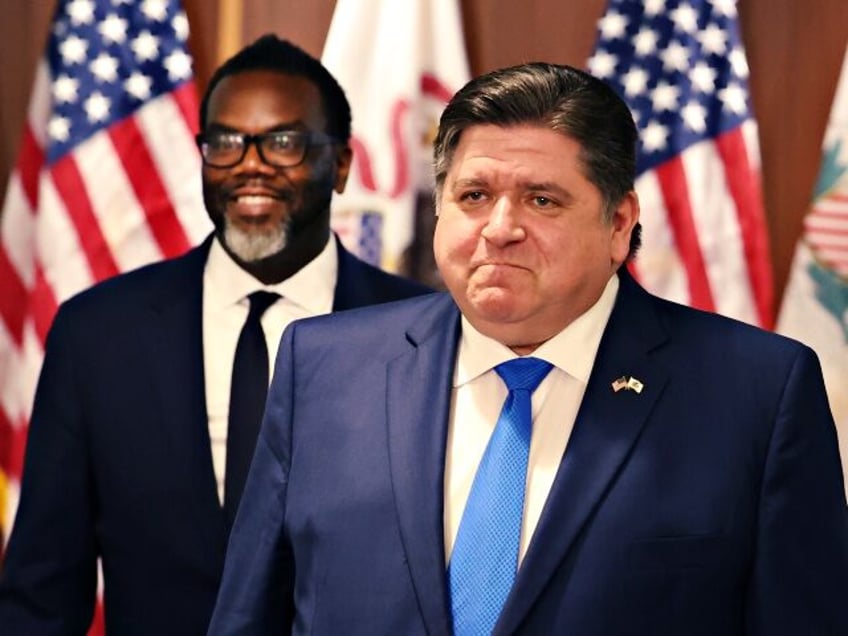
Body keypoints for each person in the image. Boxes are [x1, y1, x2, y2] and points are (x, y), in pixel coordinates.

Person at [207, 62, 848, 635]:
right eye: (474, 196)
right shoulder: (322, 367)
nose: (500, 229)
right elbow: (250, 615)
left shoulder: (758, 393)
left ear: (620, 223)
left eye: (542, 200)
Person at [0, 34, 430, 635]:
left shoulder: (423, 332)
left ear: (339, 166)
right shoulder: (98, 334)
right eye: (225, 142)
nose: (249, 164)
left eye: (282, 142)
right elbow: (42, 591)